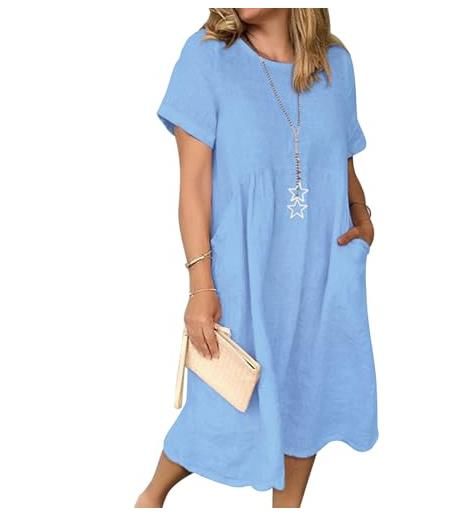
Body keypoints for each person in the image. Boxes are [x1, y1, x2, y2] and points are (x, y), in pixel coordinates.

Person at [135, 7, 378, 508]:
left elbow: (341, 161)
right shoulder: (207, 59)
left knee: (307, 399)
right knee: (221, 405)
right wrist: (201, 286)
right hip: (244, 271)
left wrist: (362, 215)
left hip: (321, 270)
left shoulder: (335, 64)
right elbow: (194, 189)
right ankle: (150, 499)